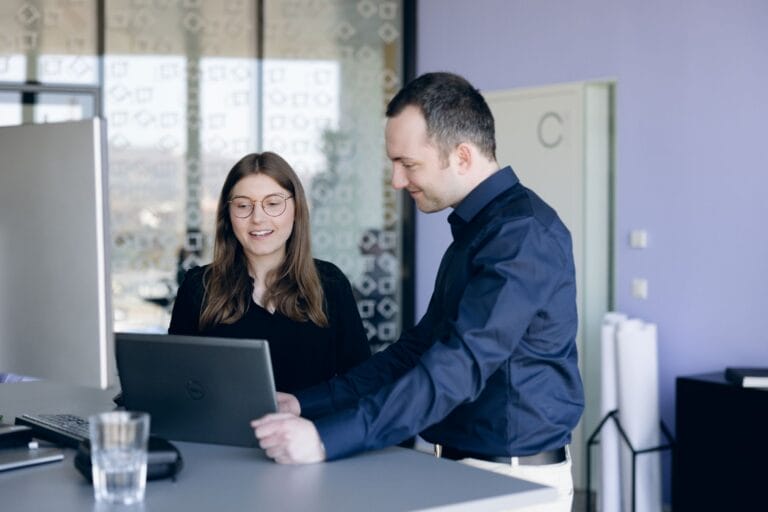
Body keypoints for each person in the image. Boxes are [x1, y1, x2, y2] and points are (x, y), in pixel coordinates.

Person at [251, 73, 584, 511]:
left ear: (462, 156)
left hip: (510, 482)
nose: (395, 180)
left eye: (407, 164)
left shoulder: (521, 236)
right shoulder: (477, 232)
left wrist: (325, 439)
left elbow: (457, 367)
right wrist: (305, 404)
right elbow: (415, 353)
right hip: (457, 470)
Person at [168, 152, 371, 393]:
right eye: (243, 205)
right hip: (224, 431)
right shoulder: (198, 287)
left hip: (314, 430)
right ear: (228, 215)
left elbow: (360, 384)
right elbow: (177, 388)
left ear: (296, 209)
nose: (258, 218)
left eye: (273, 204)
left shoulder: (330, 283)